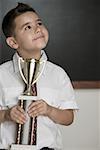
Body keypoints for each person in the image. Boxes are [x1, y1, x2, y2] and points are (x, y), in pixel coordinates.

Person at [0, 2, 78, 150]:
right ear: (13, 42)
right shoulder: (1, 75)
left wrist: (49, 110)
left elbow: (69, 118)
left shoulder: (58, 74)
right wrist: (6, 115)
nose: (37, 29)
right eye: (27, 27)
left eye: (39, 23)